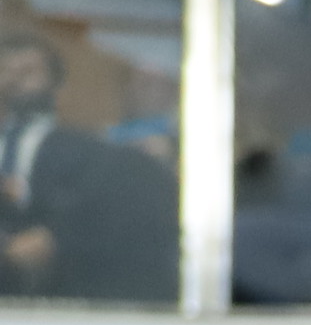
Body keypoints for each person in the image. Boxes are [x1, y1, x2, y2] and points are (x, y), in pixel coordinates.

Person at [0, 29, 178, 306]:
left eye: (28, 71)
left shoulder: (89, 150)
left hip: (59, 278)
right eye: (7, 71)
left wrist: (54, 238)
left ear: (56, 84)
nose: (14, 79)